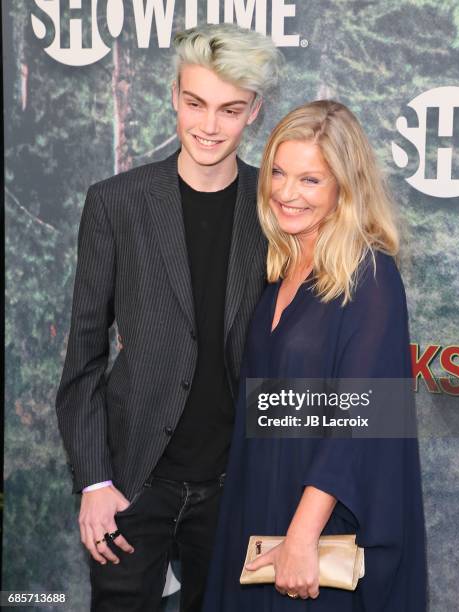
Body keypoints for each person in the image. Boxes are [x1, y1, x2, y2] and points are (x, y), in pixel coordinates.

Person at [55, 23, 282, 612]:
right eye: (195, 103)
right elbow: (82, 358)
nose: (209, 125)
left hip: (238, 484)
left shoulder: (275, 209)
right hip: (134, 482)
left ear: (253, 111)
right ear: (175, 98)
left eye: (230, 109)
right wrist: (96, 483)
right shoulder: (116, 202)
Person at [201, 100, 427, 611]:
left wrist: (302, 536)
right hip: (257, 499)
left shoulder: (369, 274)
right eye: (279, 172)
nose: (285, 192)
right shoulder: (281, 265)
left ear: (344, 188)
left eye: (310, 180)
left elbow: (362, 417)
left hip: (319, 518)